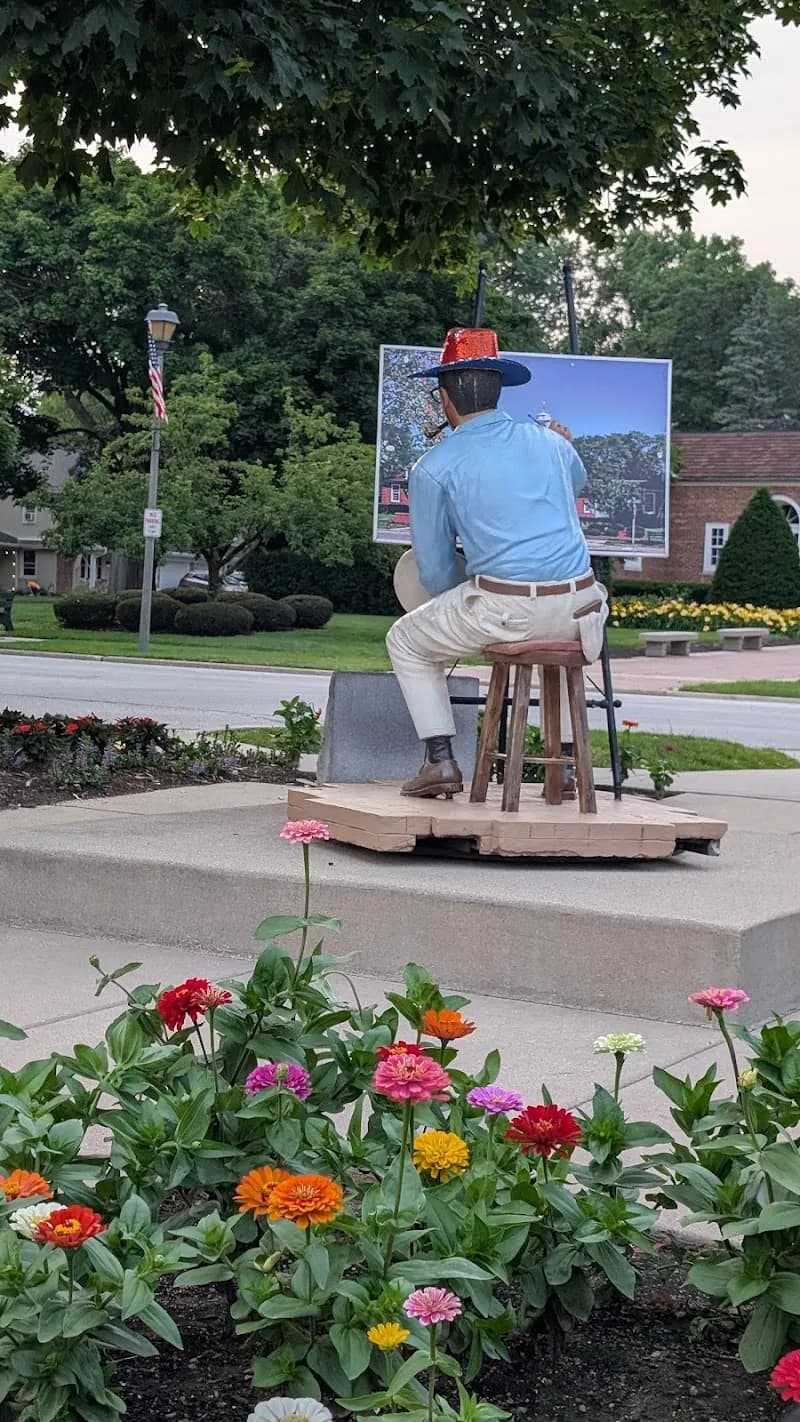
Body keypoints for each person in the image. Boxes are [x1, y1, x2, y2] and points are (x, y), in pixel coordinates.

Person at [386, 326, 608, 799]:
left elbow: (434, 569)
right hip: (583, 607)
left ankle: (440, 762)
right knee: (558, 655)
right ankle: (564, 769)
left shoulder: (433, 466)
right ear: (498, 390)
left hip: (506, 610)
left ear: (444, 398)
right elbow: (576, 482)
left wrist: (453, 596)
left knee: (404, 640)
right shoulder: (551, 442)